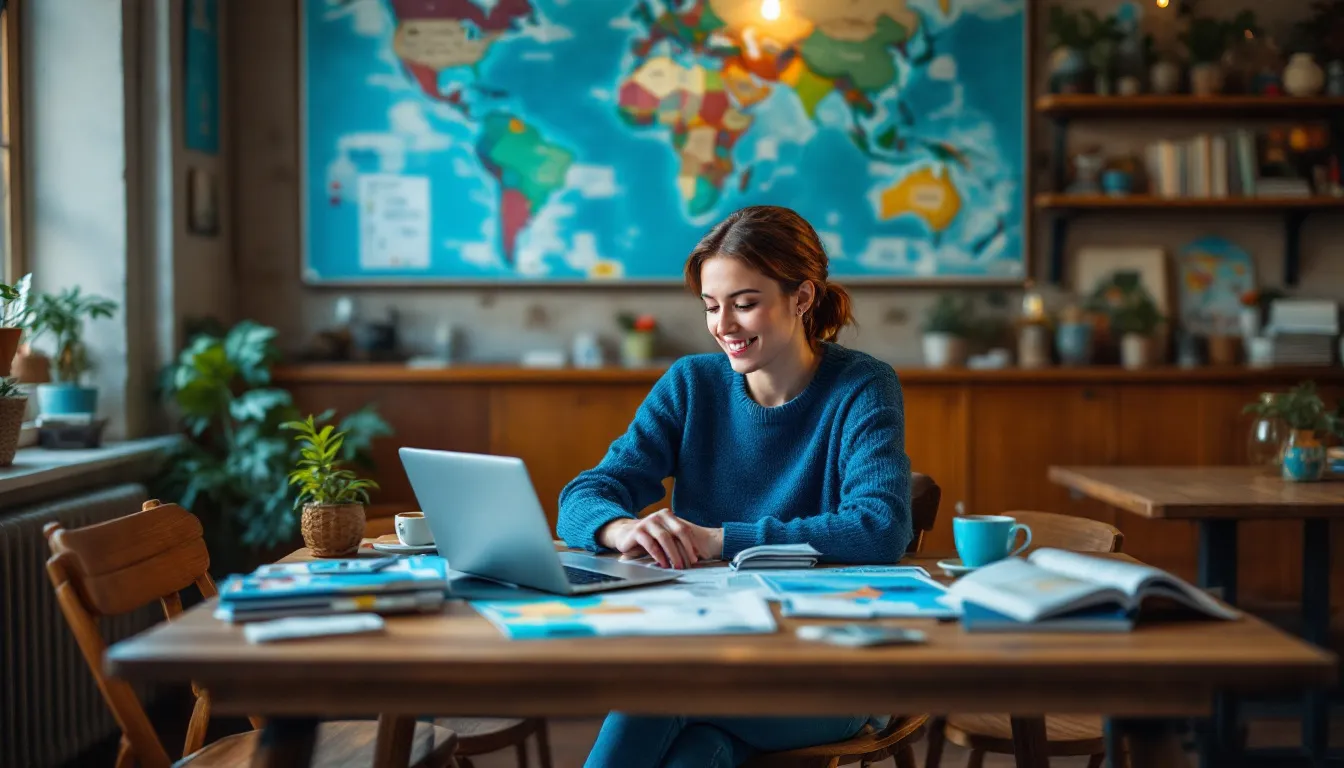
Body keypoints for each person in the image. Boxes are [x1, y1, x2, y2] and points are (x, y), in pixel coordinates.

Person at [556, 205, 913, 768]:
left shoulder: (862, 385)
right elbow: (584, 495)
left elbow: (880, 528)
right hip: (714, 654)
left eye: (744, 304)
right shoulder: (691, 384)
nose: (723, 325)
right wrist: (622, 529)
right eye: (711, 305)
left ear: (802, 298)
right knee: (697, 754)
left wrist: (717, 540)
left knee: (654, 695)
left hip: (832, 671)